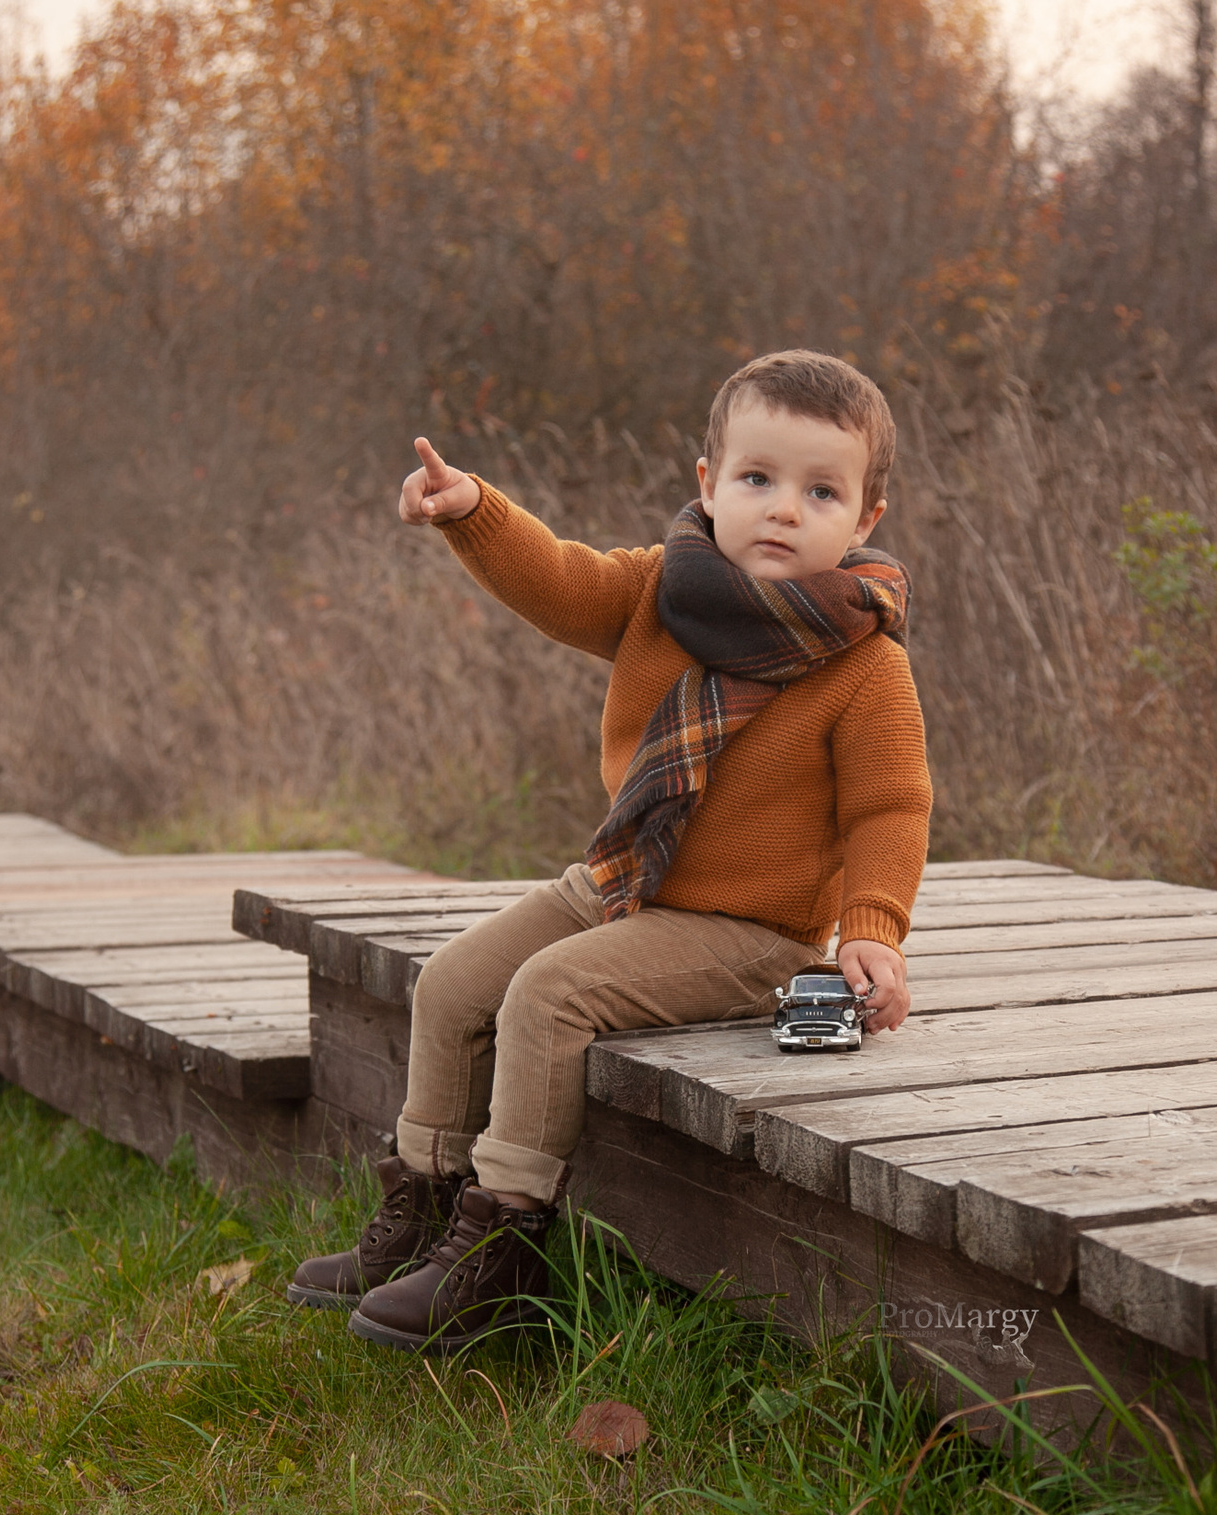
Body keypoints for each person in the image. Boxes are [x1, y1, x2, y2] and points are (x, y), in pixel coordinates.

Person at [287, 350, 932, 1353]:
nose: (782, 509)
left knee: (550, 993)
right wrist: (471, 511)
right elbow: (558, 578)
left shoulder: (865, 665)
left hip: (752, 932)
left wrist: (874, 932)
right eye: (757, 479)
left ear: (864, 520)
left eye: (820, 491)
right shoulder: (658, 593)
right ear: (707, 483)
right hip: (628, 885)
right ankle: (416, 1219)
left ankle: (499, 1248)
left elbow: (890, 809)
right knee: (454, 984)